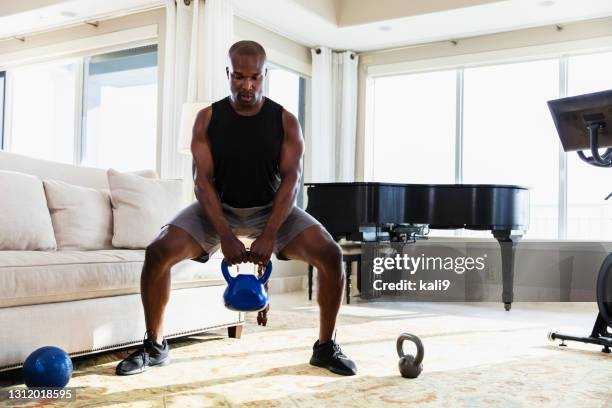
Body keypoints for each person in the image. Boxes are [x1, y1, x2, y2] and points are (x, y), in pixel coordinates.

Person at [115, 40, 357, 377]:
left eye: (255, 78)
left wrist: (271, 233)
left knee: (330, 254)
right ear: (228, 73)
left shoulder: (285, 120)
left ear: (265, 75)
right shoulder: (208, 118)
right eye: (239, 77)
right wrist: (226, 235)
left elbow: (292, 181)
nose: (247, 86)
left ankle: (326, 346)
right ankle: (155, 346)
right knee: (158, 251)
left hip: (272, 210)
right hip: (217, 208)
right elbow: (203, 183)